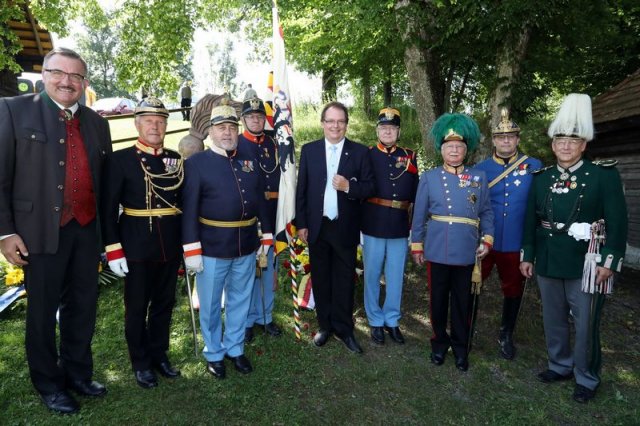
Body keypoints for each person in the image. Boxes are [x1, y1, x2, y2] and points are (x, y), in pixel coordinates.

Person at [0, 47, 112, 414]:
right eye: (58, 73)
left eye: (76, 76)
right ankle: (49, 384)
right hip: (38, 233)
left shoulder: (98, 123)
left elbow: (104, 183)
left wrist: (107, 237)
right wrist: (5, 233)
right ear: (44, 74)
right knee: (43, 312)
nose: (67, 81)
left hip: (85, 230)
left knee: (83, 306)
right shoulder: (14, 111)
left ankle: (78, 374)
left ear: (84, 82)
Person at [520, 93, 627, 404]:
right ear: (553, 145)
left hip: (588, 263)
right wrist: (528, 255)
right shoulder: (542, 178)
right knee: (552, 318)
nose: (565, 146)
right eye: (560, 140)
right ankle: (560, 365)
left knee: (585, 323)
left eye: (573, 140)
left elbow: (618, 223)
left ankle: (587, 376)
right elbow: (531, 221)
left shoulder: (602, 175)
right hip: (549, 261)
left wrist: (611, 261)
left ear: (584, 145)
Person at [182, 102, 272, 379]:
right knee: (209, 304)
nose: (228, 133)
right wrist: (191, 249)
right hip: (211, 247)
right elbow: (189, 210)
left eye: (232, 127)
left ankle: (235, 348)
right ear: (210, 132)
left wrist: (267, 235)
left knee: (240, 299)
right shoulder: (196, 164)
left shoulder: (248, 160)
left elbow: (261, 201)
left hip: (245, 243)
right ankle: (214, 351)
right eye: (221, 127)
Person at [101, 98, 183, 389]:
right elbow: (108, 208)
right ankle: (140, 362)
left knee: (164, 304)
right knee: (136, 307)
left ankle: (160, 355)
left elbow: (181, 204)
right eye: (148, 120)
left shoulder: (174, 159)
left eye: (160, 121)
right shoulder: (120, 159)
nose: (155, 126)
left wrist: (187, 245)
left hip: (169, 244)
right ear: (137, 124)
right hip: (135, 244)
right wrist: (113, 248)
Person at [410, 113, 494, 372]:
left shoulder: (478, 177)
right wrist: (417, 244)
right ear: (441, 150)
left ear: (466, 150)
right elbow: (419, 214)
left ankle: (460, 347)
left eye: (459, 146)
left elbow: (487, 212)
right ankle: (438, 344)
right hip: (437, 248)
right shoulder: (430, 177)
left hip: (467, 250)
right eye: (449, 146)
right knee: (437, 301)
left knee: (462, 301)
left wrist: (487, 239)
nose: (454, 150)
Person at [295, 101, 375, 354]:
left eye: (340, 121)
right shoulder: (309, 150)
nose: (335, 126)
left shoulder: (360, 152)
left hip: (345, 227)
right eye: (330, 121)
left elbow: (370, 187)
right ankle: (325, 326)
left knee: (343, 279)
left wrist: (349, 187)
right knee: (320, 277)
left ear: (346, 125)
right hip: (317, 227)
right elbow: (302, 191)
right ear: (322, 123)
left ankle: (344, 328)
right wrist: (302, 224)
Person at [474, 109, 542, 360]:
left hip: (516, 240)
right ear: (493, 140)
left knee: (513, 290)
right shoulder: (480, 169)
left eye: (510, 137)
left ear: (517, 139)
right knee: (473, 284)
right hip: (486, 240)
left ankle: (506, 334)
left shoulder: (534, 167)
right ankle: (467, 330)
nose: (505, 141)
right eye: (500, 137)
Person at [361, 107, 419, 345]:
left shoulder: (410, 156)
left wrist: (414, 227)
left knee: (396, 276)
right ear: (377, 130)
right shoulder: (367, 154)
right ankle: (374, 320)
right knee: (372, 275)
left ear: (398, 131)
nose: (388, 131)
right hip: (372, 222)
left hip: (399, 224)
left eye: (392, 128)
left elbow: (416, 193)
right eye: (383, 128)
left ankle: (392, 320)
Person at [238, 96, 283, 343]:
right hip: (247, 215)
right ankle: (246, 320)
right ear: (243, 119)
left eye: (259, 116)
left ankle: (265, 316)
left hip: (274, 212)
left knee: (268, 266)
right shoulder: (236, 145)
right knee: (247, 270)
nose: (255, 120)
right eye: (250, 116)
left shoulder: (275, 144)